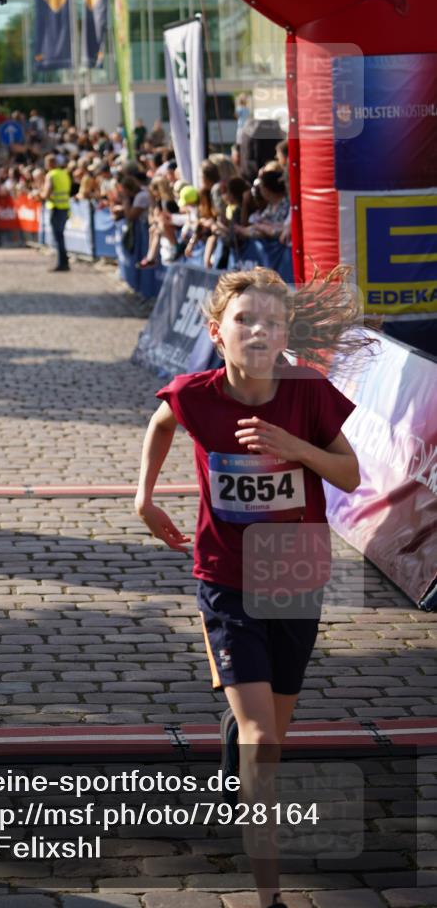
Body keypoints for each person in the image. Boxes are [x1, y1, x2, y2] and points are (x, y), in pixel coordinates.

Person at [135, 265, 375, 908]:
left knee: (271, 730)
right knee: (264, 740)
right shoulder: (198, 392)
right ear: (218, 332)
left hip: (295, 567)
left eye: (272, 320)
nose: (259, 330)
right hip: (226, 573)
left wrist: (292, 446)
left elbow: (350, 476)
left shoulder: (308, 392)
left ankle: (232, 761)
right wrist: (144, 498)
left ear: (287, 332)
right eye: (245, 320)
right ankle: (268, 895)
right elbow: (162, 421)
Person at [41, 153, 72, 272]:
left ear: (50, 164)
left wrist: (40, 195)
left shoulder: (51, 175)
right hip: (65, 208)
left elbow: (46, 194)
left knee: (58, 237)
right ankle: (64, 262)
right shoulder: (64, 173)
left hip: (56, 208)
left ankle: (62, 263)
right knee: (61, 236)